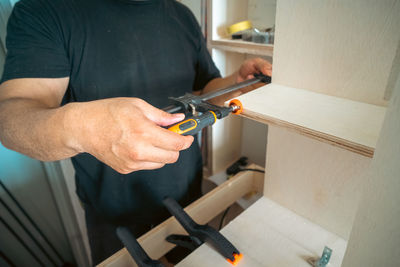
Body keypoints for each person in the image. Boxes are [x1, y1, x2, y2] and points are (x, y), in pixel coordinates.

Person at [0, 0, 271, 264]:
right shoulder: (44, 10)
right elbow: (10, 118)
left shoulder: (182, 15)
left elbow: (203, 90)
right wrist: (81, 126)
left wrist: (235, 85)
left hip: (186, 197)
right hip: (113, 214)